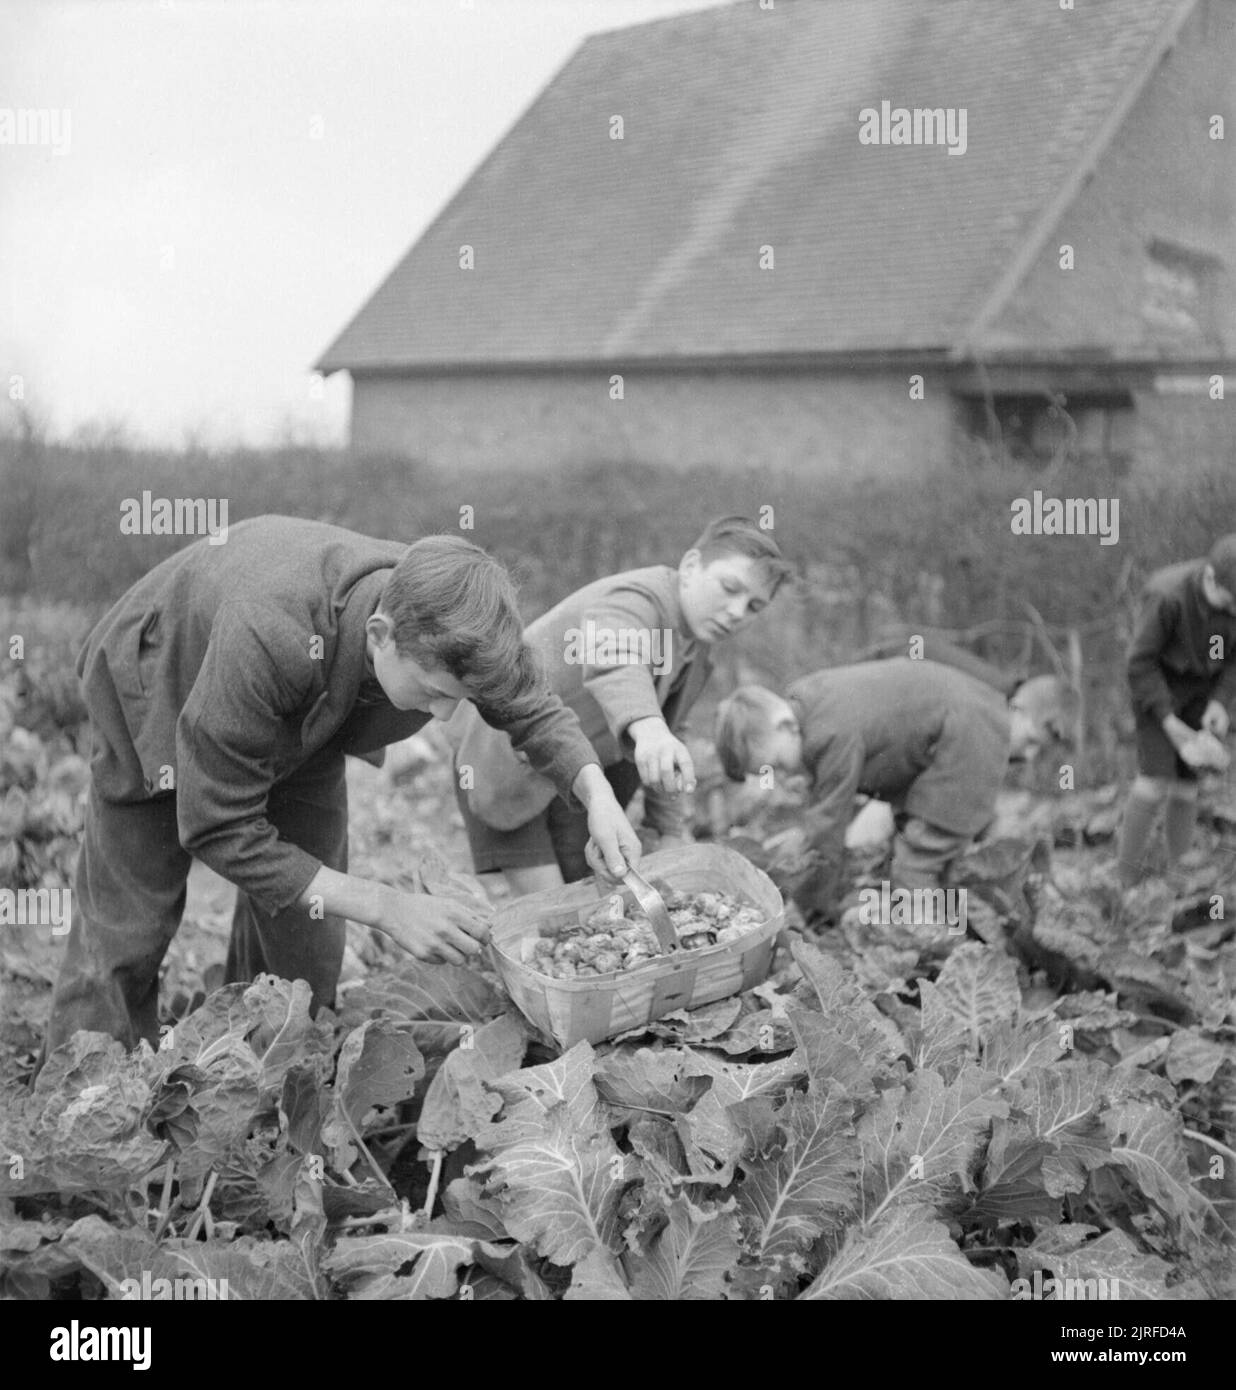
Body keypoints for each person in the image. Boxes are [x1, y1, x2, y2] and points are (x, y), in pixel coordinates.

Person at [42, 516, 641, 1058]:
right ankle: (80, 1118)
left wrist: (599, 797)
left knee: (306, 949)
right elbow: (217, 826)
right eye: (431, 692)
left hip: (309, 720)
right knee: (129, 928)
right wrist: (386, 905)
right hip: (160, 685)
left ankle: (249, 1077)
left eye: (455, 701)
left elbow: (533, 709)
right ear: (381, 635)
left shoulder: (456, 623)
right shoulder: (270, 629)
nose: (438, 716)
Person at [448, 516, 793, 895]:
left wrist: (669, 831)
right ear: (692, 566)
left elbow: (671, 730)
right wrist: (649, 729)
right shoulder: (635, 600)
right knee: (553, 912)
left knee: (590, 895)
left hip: (575, 776)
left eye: (753, 606)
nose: (736, 611)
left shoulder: (697, 650)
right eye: (730, 588)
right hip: (504, 761)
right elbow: (615, 656)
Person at [714, 657, 1070, 920]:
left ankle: (930, 943)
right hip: (952, 732)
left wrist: (806, 908)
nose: (778, 775)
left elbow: (827, 830)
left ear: (785, 726)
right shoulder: (807, 700)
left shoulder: (830, 735)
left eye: (775, 764)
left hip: (965, 738)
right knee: (924, 855)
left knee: (916, 865)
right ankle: (950, 915)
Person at [1115, 535, 1236, 889]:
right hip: (1157, 688)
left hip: (1203, 689)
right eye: (1231, 602)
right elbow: (1139, 664)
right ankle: (1123, 882)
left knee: (1187, 785)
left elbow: (1233, 662)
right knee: (1153, 782)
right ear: (1211, 578)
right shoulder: (1167, 596)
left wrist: (1220, 702)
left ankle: (1179, 875)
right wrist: (1168, 721)